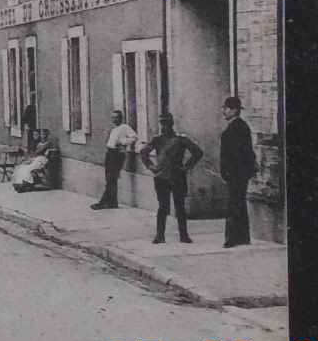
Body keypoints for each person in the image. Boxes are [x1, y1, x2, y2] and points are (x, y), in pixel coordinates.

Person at [138, 111, 204, 244]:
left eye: (166, 124)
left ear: (172, 124)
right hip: (161, 178)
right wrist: (151, 167)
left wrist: (186, 167)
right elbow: (143, 152)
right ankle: (159, 235)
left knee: (180, 207)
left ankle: (184, 235)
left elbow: (197, 152)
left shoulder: (180, 139)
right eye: (162, 124)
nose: (164, 127)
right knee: (163, 207)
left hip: (177, 177)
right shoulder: (157, 139)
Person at [220, 96, 257, 247]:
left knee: (233, 204)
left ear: (234, 110)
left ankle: (232, 238)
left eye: (226, 109)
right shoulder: (241, 126)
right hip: (241, 172)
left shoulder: (236, 128)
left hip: (236, 173)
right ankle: (243, 237)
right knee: (239, 203)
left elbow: (235, 154)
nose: (224, 111)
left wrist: (227, 172)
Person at [93, 109, 139, 210]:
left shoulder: (125, 127)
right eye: (113, 118)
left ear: (121, 118)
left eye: (117, 117)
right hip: (110, 153)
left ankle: (103, 203)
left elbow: (134, 137)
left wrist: (123, 142)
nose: (115, 120)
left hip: (117, 154)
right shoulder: (114, 129)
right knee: (110, 179)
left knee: (111, 179)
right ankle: (113, 203)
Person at [13, 128, 59, 192]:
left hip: (44, 160)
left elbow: (55, 150)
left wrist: (49, 150)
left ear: (47, 135)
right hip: (37, 159)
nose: (42, 136)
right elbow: (36, 153)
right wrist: (30, 159)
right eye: (41, 134)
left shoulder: (49, 143)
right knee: (23, 168)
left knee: (29, 169)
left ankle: (26, 184)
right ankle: (22, 184)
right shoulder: (39, 143)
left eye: (44, 134)